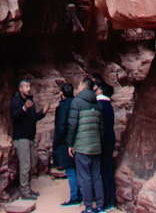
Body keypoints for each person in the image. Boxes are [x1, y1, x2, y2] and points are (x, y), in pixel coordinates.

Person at [67, 77, 105, 213]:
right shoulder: (98, 105)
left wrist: (70, 144)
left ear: (83, 86)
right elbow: (102, 130)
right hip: (96, 147)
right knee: (97, 176)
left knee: (85, 177)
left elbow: (72, 125)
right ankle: (100, 207)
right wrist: (98, 143)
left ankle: (88, 208)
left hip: (82, 147)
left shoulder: (76, 102)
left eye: (79, 84)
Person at [10, 79, 49, 200]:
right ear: (20, 89)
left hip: (30, 137)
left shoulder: (29, 100)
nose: (28, 88)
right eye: (26, 86)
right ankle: (24, 191)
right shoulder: (16, 100)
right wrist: (24, 108)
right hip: (21, 137)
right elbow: (14, 115)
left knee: (31, 163)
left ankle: (28, 188)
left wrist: (43, 113)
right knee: (25, 165)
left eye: (29, 86)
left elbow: (32, 118)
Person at [53, 82, 81, 207]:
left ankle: (75, 197)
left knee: (70, 170)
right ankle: (81, 194)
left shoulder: (63, 107)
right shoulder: (77, 104)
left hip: (66, 142)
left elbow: (61, 126)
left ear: (61, 94)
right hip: (78, 140)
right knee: (78, 169)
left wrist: (57, 141)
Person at [95, 81, 116, 211]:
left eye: (96, 88)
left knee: (101, 172)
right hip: (110, 140)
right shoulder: (109, 105)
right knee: (108, 171)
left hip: (102, 142)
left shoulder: (99, 105)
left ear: (101, 90)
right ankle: (110, 201)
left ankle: (103, 203)